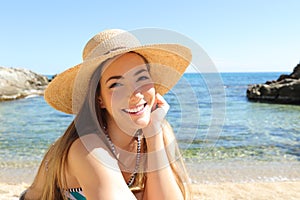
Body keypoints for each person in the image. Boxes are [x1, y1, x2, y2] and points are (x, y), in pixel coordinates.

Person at [20, 29, 192, 200]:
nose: (136, 94)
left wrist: (154, 136)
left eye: (141, 78)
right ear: (99, 98)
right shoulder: (88, 149)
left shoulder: (157, 133)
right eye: (116, 84)